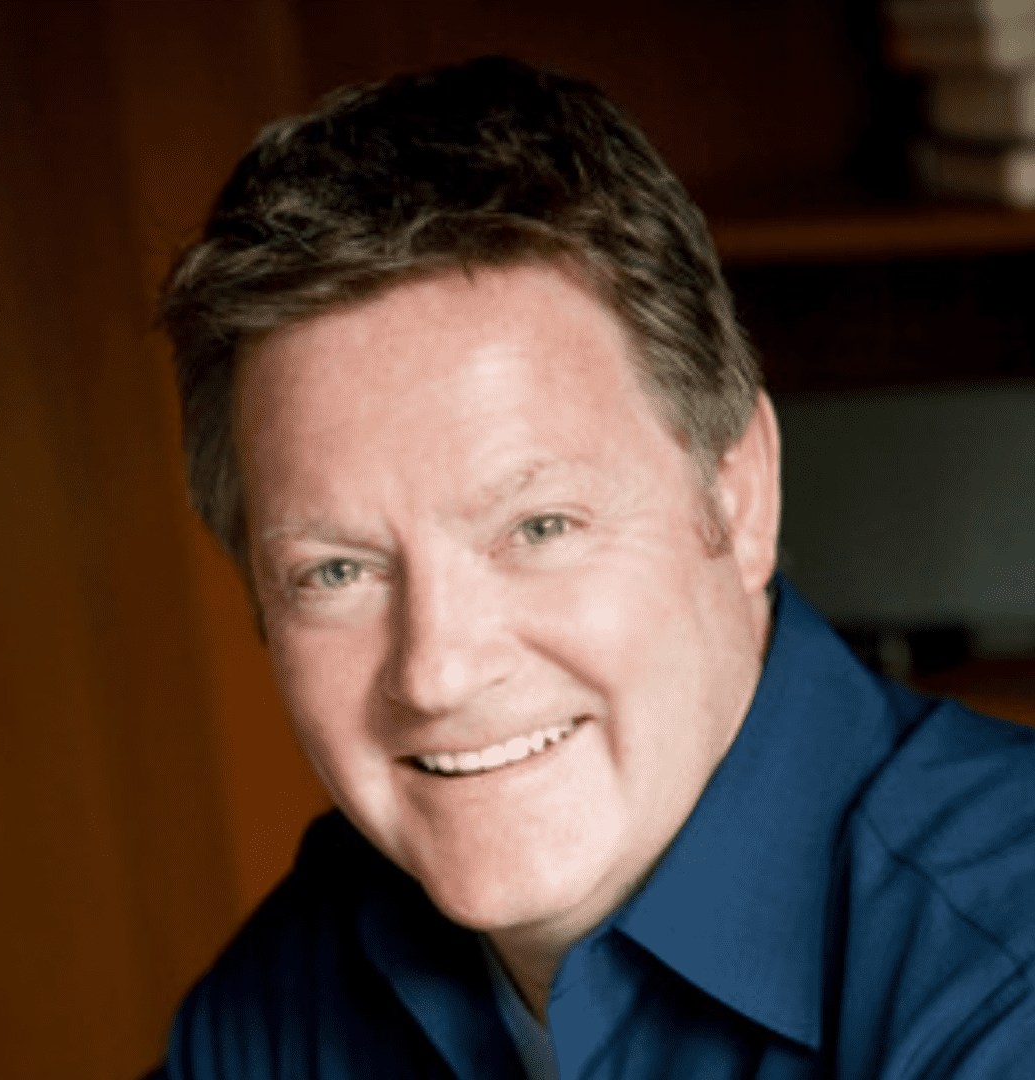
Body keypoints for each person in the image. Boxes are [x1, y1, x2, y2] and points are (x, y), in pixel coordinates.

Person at [149, 56, 1035, 1079]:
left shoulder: (1004, 981)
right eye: (339, 572)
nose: (436, 674)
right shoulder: (299, 977)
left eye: (538, 526)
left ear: (737, 494)